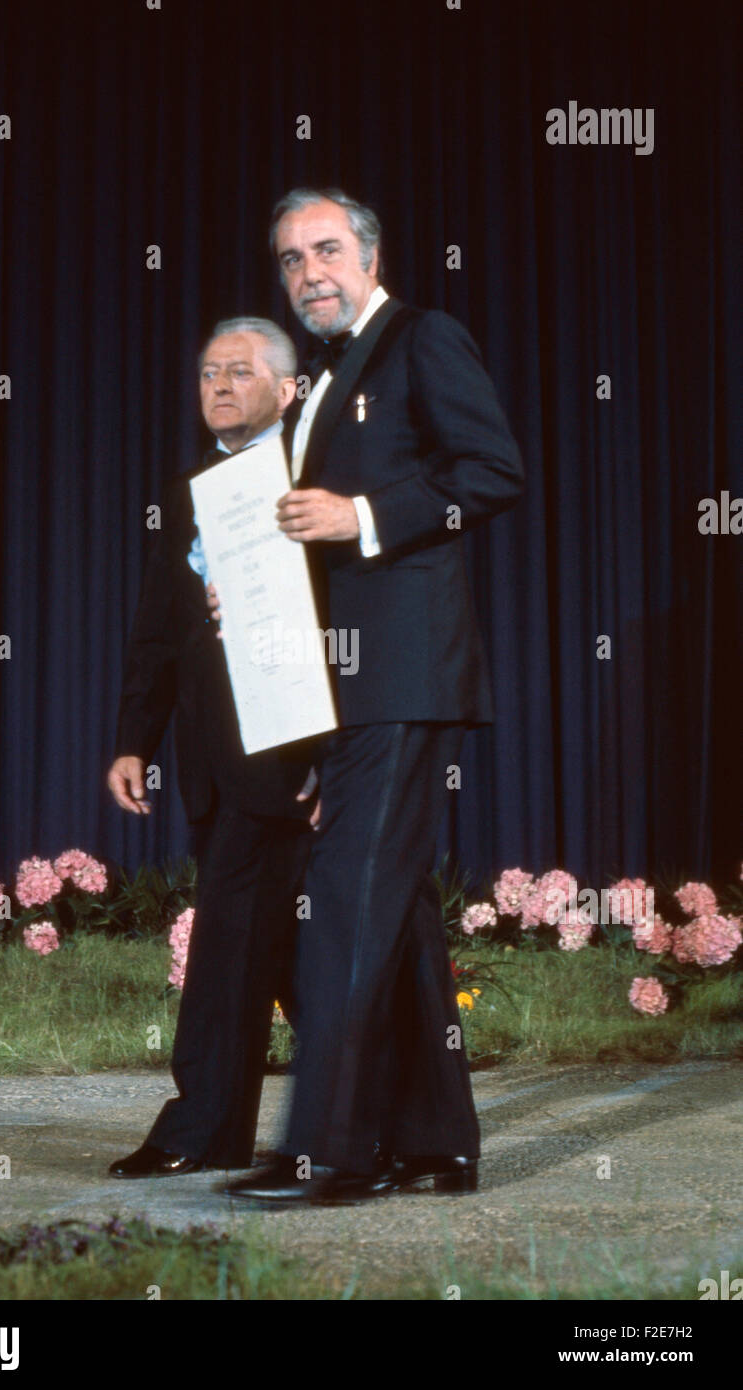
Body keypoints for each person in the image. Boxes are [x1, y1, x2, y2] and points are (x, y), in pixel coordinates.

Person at [224, 189, 525, 1204]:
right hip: (339, 682)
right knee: (389, 914)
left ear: (369, 253)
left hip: (401, 670)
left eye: (324, 250)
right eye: (288, 259)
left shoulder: (420, 338)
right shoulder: (319, 379)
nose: (308, 271)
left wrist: (359, 512)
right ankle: (434, 1141)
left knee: (345, 904)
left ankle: (331, 1152)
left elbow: (490, 471)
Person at [107, 317, 317, 1178]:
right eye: (206, 374)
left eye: (239, 371)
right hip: (215, 763)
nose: (220, 386)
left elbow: (353, 626)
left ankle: (202, 1129)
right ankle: (384, 1114)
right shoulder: (191, 489)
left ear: (288, 388)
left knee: (246, 939)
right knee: (276, 946)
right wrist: (133, 741)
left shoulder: (318, 481)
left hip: (297, 759)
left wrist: (331, 756)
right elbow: (159, 631)